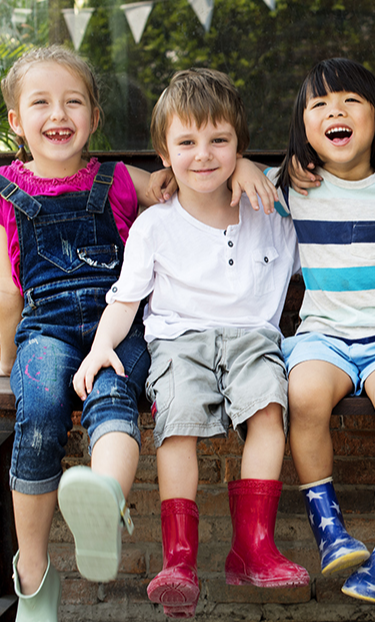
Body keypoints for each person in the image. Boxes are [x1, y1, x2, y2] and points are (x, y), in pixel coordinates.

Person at [73, 67, 306, 618]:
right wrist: (102, 346)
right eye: (187, 142)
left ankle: (254, 547)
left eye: (220, 141)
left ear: (240, 147)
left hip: (252, 338)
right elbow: (125, 299)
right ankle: (179, 560)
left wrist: (253, 168)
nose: (203, 154)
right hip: (180, 342)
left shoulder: (270, 209)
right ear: (164, 153)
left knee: (270, 410)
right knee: (176, 427)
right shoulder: (156, 225)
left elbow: (316, 167)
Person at [0, 45, 182, 622]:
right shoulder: (5, 192)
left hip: (117, 325)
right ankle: (34, 577)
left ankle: (104, 497)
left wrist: (250, 166)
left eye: (73, 101)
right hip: (45, 333)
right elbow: (7, 291)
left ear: (95, 117)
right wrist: (6, 365)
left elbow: (188, 179)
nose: (59, 114)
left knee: (113, 395)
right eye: (41, 103)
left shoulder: (121, 180)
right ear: (15, 121)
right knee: (40, 410)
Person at [270, 57, 375, 604]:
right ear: (303, 130)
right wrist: (261, 169)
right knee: (305, 394)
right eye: (318, 104)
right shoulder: (294, 190)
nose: (334, 110)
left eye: (350, 101)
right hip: (324, 334)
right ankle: (329, 531)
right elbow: (226, 177)